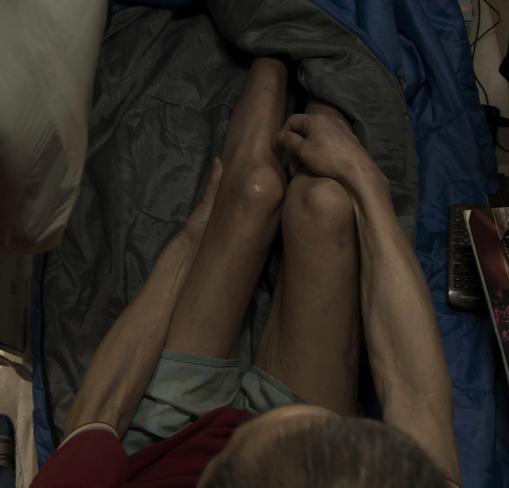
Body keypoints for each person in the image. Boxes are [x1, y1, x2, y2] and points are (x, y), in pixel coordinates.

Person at [31, 57, 461, 488]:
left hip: (172, 437)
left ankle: (273, 40)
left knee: (254, 190)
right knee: (327, 204)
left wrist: (191, 242)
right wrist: (365, 179)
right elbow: (416, 398)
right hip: (290, 448)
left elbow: (99, 413)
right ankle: (322, 41)